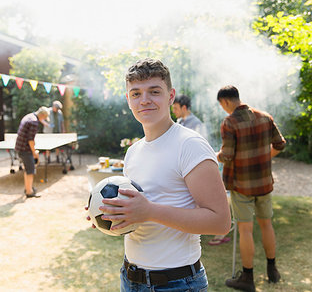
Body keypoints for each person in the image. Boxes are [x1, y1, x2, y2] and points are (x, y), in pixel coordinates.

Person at [94, 58, 231, 291]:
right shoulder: (133, 151)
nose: (144, 100)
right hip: (130, 279)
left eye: (154, 91)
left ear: (170, 96)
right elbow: (137, 215)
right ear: (128, 100)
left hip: (177, 283)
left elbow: (220, 222)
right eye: (135, 93)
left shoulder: (190, 145)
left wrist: (150, 211)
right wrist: (108, 214)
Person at [216, 85, 286, 292]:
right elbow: (280, 144)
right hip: (264, 183)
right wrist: (265, 157)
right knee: (267, 225)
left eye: (222, 106)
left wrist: (216, 155)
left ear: (226, 102)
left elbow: (227, 155)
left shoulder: (230, 122)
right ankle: (273, 270)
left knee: (245, 230)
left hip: (241, 185)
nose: (224, 110)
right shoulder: (265, 117)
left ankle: (247, 278)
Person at [172, 94, 230, 246]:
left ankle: (206, 232)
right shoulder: (178, 122)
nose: (174, 111)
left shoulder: (197, 124)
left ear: (184, 108)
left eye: (176, 108)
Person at [15, 106, 49, 198]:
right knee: (30, 170)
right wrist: (34, 152)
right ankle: (29, 192)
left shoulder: (29, 116)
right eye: (45, 118)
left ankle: (28, 188)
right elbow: (30, 140)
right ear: (42, 115)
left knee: (27, 169)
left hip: (20, 147)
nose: (44, 120)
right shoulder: (34, 122)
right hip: (25, 149)